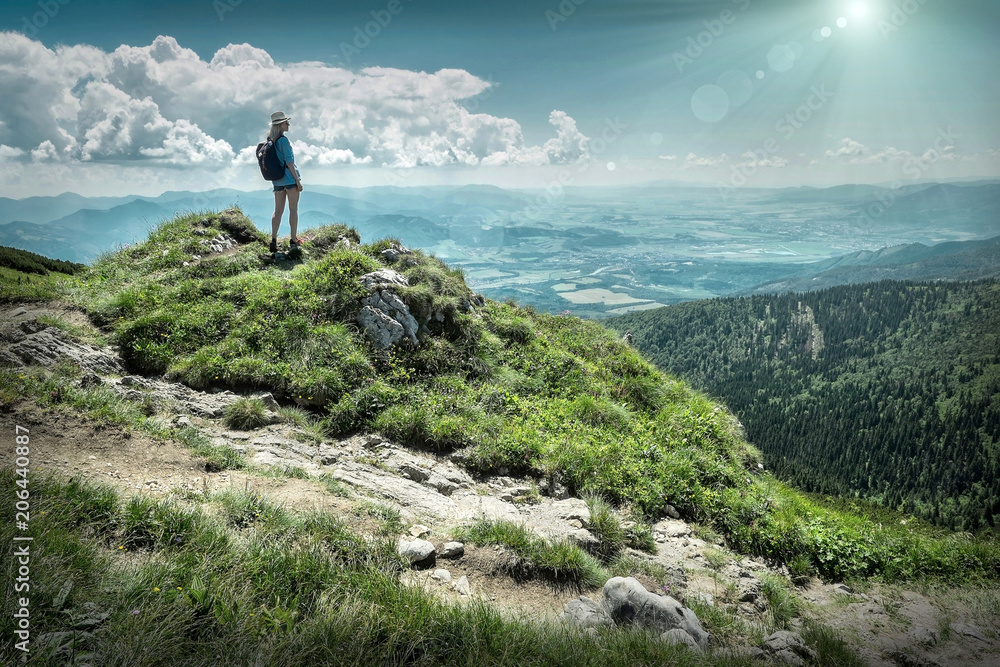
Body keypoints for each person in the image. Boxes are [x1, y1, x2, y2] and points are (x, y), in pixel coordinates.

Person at [267, 111, 303, 252]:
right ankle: (294, 240)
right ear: (280, 124)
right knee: (293, 209)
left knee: (277, 211)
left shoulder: (270, 140)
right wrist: (297, 181)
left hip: (277, 181)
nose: (288, 124)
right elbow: (289, 162)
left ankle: (274, 240)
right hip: (289, 180)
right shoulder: (283, 141)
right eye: (286, 122)